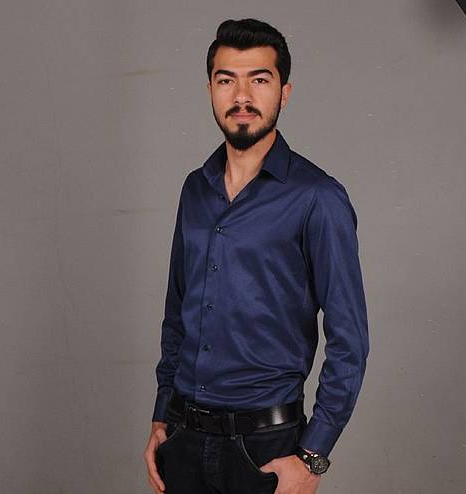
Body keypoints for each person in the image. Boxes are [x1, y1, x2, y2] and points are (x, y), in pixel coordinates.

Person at [143, 18, 369, 494]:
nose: (241, 96)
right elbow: (177, 314)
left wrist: (312, 456)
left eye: (259, 80)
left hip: (266, 448)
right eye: (227, 80)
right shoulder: (195, 189)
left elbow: (349, 340)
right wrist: (162, 416)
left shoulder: (318, 197)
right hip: (181, 438)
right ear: (210, 89)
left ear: (284, 93)